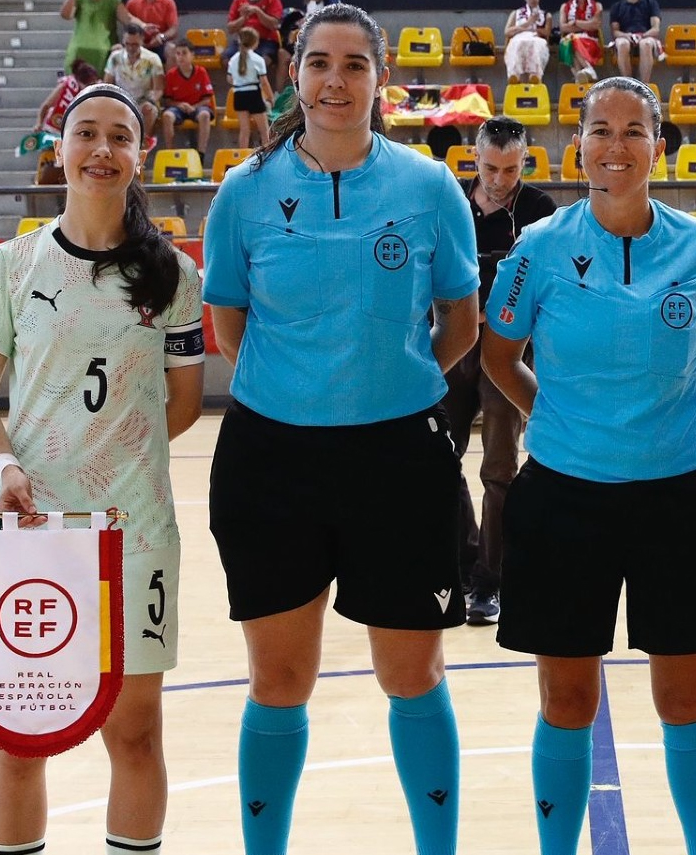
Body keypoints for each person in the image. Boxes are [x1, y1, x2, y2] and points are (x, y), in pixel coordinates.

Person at [202, 5, 479, 854]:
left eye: (355, 64)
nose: (335, 80)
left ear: (380, 79)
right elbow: (229, 326)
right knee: (280, 678)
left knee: (413, 672)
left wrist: (387, 381)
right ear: (294, 74)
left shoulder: (428, 187)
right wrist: (304, 390)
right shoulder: (245, 190)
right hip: (272, 460)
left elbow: (460, 323)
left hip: (399, 460)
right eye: (319, 62)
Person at [481, 77, 696, 855]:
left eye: (635, 130)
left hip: (683, 499)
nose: (617, 145)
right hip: (564, 500)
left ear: (659, 147)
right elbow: (499, 354)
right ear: (578, 147)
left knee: (686, 698)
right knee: (566, 699)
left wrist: (668, 416)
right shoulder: (538, 248)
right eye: (601, 129)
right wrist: (555, 417)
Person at [0, 82, 204, 855]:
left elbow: (183, 404)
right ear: (58, 149)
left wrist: (114, 456)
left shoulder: (172, 273)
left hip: (135, 533)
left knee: (134, 733)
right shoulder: (12, 263)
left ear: (142, 154)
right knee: (19, 736)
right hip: (30, 530)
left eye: (120, 136)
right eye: (86, 133)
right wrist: (7, 463)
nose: (102, 149)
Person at [445, 115, 556, 626]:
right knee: (438, 459)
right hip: (450, 343)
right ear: (475, 158)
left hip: (507, 351)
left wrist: (491, 316)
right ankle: (464, 564)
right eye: (490, 168)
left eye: (511, 170)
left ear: (524, 161)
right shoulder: (449, 201)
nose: (499, 179)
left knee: (499, 468)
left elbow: (543, 288)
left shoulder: (539, 210)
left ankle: (490, 581)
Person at [104, 23, 166, 145]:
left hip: (143, 100)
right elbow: (107, 84)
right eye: (127, 44)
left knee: (149, 110)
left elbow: (158, 89)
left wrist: (152, 100)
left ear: (142, 41)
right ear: (123, 41)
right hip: (121, 100)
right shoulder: (115, 58)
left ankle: (141, 145)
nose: (131, 48)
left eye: (135, 44)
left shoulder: (152, 59)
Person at [160, 40, 214, 157]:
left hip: (198, 106)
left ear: (192, 54)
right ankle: (170, 153)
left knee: (205, 115)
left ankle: (201, 154)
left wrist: (193, 107)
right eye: (178, 53)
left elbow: (207, 99)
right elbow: (167, 100)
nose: (180, 57)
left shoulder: (201, 72)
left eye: (184, 53)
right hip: (178, 108)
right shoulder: (171, 74)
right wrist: (179, 105)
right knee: (167, 116)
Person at [227, 27, 273, 148]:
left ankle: (242, 157)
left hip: (238, 95)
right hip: (253, 94)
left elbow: (229, 78)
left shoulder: (233, 59)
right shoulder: (258, 59)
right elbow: (264, 82)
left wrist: (240, 81)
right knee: (264, 130)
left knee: (244, 130)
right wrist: (270, 97)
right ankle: (268, 155)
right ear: (255, 42)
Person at [60, 0, 133, 75]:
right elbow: (66, 15)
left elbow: (128, 19)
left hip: (105, 55)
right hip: (78, 53)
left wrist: (141, 25)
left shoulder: (113, 2)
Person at [34, 58, 100, 134]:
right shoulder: (66, 86)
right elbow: (46, 105)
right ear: (80, 82)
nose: (93, 86)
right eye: (91, 84)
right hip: (52, 128)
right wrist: (39, 123)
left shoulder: (93, 93)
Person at [608, 0, 664, 85]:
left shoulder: (651, 4)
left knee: (646, 44)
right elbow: (615, 32)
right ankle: (628, 84)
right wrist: (626, 36)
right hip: (625, 37)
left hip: (646, 36)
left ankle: (644, 85)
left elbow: (655, 29)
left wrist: (642, 36)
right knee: (622, 44)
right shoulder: (617, 6)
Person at [222, 0, 282, 78]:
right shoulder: (238, 2)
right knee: (226, 58)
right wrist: (243, 18)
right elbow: (230, 29)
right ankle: (239, 81)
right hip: (243, 40)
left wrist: (258, 11)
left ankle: (255, 81)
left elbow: (274, 25)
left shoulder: (273, 1)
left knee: (264, 59)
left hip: (266, 41)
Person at [503, 0, 553, 85]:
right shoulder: (516, 13)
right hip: (519, 38)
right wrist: (528, 23)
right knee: (517, 44)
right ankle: (515, 76)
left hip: (536, 38)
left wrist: (535, 30)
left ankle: (535, 75)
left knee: (535, 45)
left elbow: (547, 32)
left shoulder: (546, 15)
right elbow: (507, 32)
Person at [558, 0, 603, 84]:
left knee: (572, 40)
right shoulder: (564, 6)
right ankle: (583, 75)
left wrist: (576, 22)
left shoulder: (597, 5)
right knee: (568, 41)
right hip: (571, 41)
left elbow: (596, 25)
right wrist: (587, 25)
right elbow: (563, 28)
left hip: (590, 42)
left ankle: (584, 72)